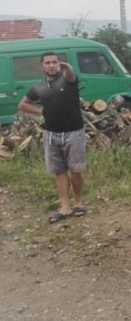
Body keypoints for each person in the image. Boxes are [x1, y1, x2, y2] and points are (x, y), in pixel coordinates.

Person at [18, 52, 87, 223]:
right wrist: (41, 112)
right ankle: (65, 207)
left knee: (76, 170)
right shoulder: (38, 88)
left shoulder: (68, 81)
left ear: (59, 64)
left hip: (74, 132)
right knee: (59, 171)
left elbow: (71, 74)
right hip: (51, 134)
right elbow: (23, 104)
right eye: (47, 63)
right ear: (42, 67)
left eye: (54, 62)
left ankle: (78, 202)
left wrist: (67, 67)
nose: (51, 65)